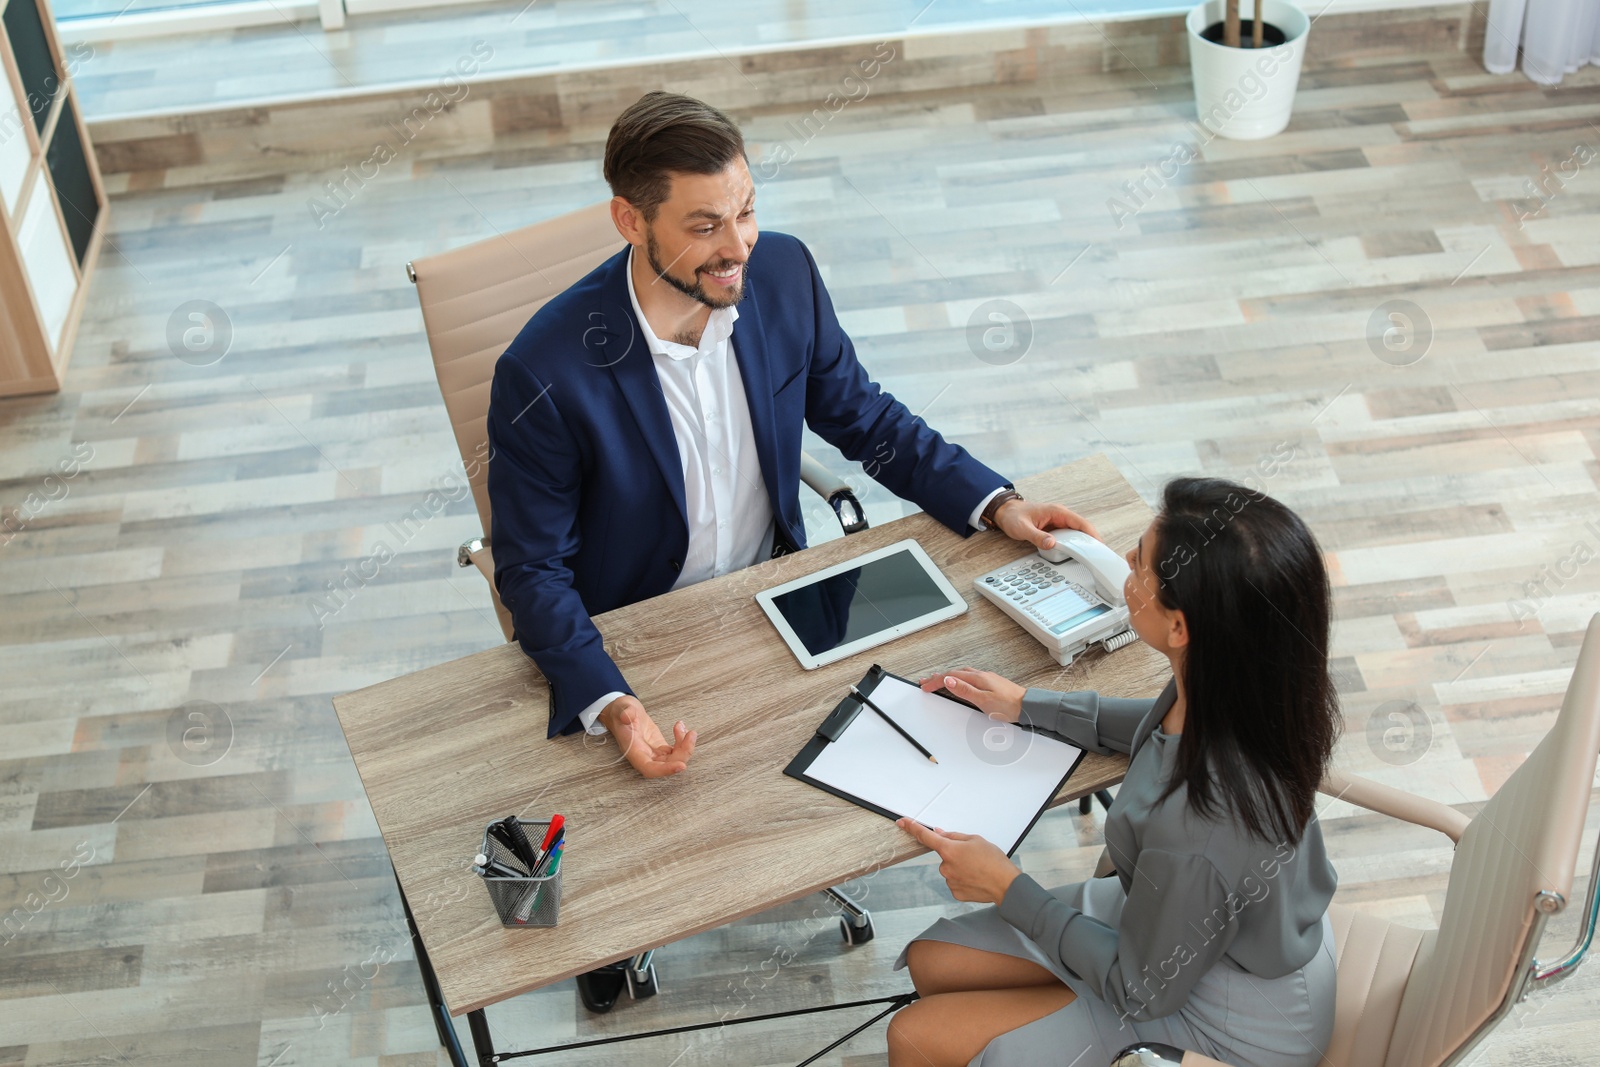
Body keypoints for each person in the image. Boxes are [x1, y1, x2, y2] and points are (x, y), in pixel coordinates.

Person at [486, 90, 1099, 780]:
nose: (738, 245)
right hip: (641, 641)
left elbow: (865, 417)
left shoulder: (783, 275)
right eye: (706, 225)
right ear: (631, 220)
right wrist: (611, 700)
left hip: (775, 601)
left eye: (746, 211)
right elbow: (532, 567)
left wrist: (994, 502)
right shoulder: (543, 371)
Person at [886, 477, 1342, 1067]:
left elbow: (1141, 991)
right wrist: (1028, 705)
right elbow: (1159, 734)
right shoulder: (1241, 686)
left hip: (1225, 1007)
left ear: (1179, 628)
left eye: (1140, 563)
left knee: (916, 1036)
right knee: (932, 959)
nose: (1123, 561)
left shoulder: (1198, 832)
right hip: (1180, 924)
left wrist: (1004, 886)